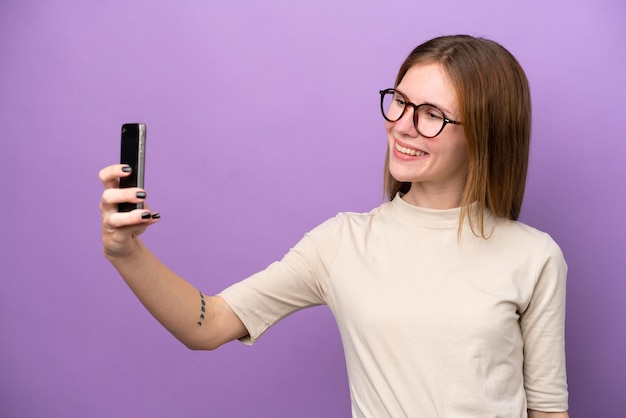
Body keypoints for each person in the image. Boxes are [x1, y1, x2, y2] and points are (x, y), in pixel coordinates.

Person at [99, 35, 568, 417]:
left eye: (431, 115)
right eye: (400, 102)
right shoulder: (343, 242)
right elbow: (208, 324)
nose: (403, 126)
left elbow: (547, 410)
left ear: (485, 133)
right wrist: (127, 252)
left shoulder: (534, 256)